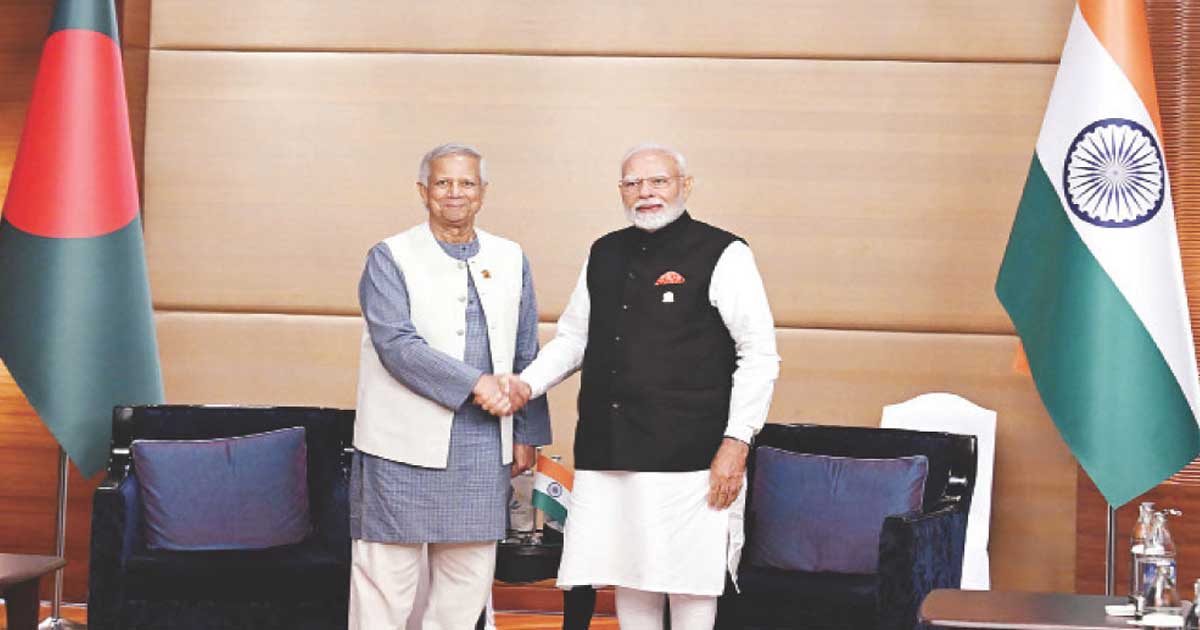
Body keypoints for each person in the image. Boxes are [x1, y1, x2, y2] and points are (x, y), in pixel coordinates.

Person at [494, 144, 780, 629]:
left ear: (685, 186)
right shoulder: (604, 251)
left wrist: (737, 442)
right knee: (628, 575)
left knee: (690, 581)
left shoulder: (724, 252)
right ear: (621, 191)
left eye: (658, 181)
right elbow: (574, 339)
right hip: (609, 448)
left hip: (691, 455)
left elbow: (759, 354)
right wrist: (525, 385)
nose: (645, 192)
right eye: (632, 183)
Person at [349, 142, 551, 630]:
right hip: (399, 445)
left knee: (466, 585)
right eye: (443, 182)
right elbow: (397, 344)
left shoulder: (510, 256)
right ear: (424, 191)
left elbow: (526, 350)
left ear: (483, 192)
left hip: (483, 443)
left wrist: (528, 433)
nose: (455, 193)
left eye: (466, 183)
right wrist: (476, 383)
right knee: (385, 584)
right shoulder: (390, 256)